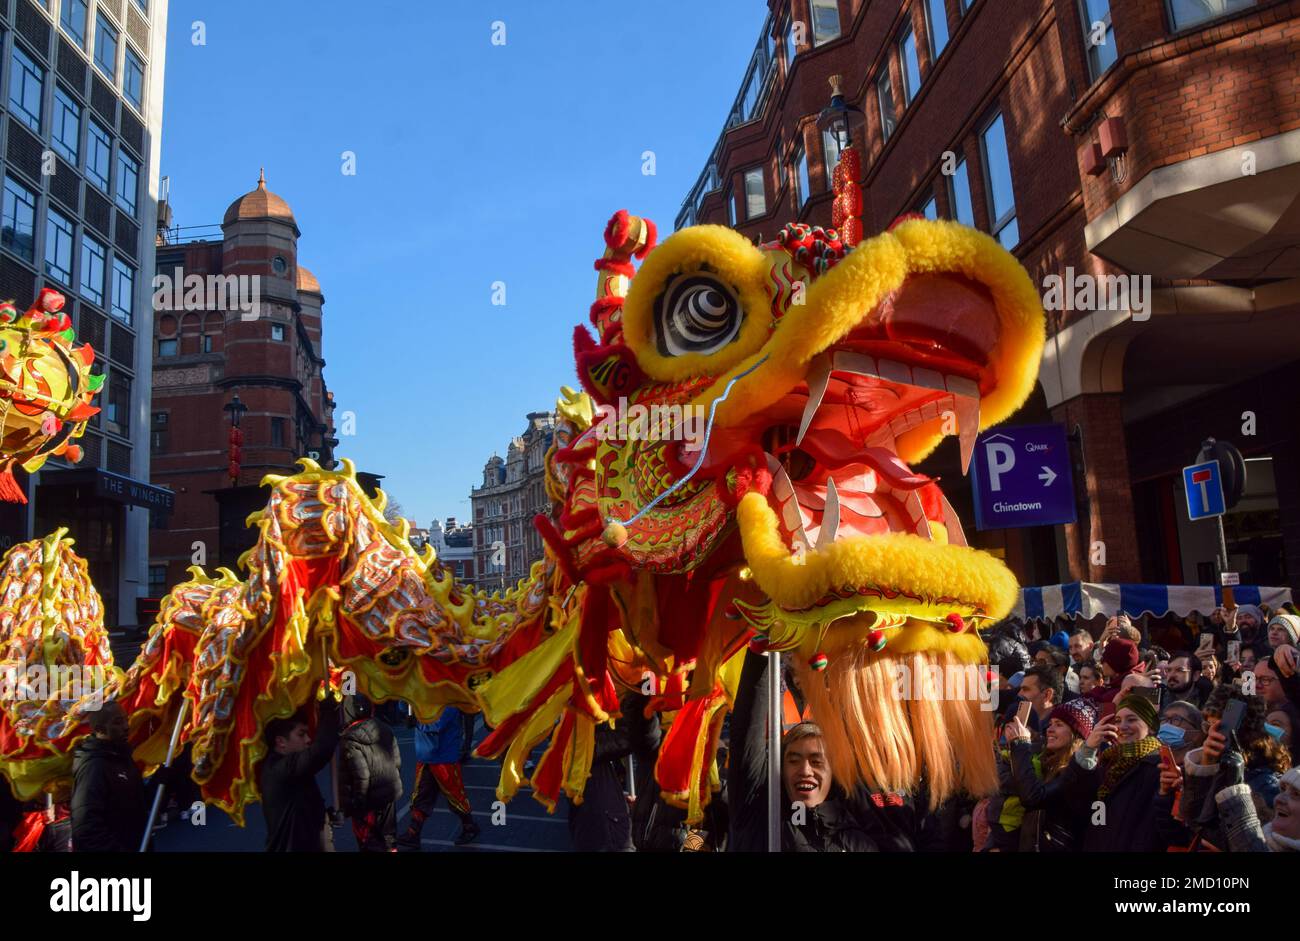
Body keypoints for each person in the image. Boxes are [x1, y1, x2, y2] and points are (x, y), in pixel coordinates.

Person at [728, 649, 922, 852]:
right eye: (793, 760)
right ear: (780, 770)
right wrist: (761, 653)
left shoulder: (857, 836)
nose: (805, 770)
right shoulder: (760, 816)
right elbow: (746, 734)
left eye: (816, 761)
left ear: (834, 773)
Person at [1062, 693, 1165, 852]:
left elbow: (1154, 829)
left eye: (1131, 720)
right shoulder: (1108, 761)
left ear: (1151, 727)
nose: (1122, 726)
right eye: (1118, 721)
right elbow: (1090, 812)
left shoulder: (1158, 767)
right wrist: (1088, 749)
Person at [996, 698, 1096, 852]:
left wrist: (1020, 743)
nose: (1050, 729)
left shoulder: (1077, 771)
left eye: (1059, 724)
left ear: (1077, 734)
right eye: (1050, 723)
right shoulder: (1045, 762)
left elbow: (1032, 797)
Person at [569, 690, 660, 852]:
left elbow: (704, 826)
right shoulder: (655, 756)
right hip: (626, 833)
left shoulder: (706, 770)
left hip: (624, 835)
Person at [259, 701, 341, 852]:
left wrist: (327, 816)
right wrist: (328, 708)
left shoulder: (293, 767)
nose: (308, 739)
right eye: (301, 734)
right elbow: (321, 750)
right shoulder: (278, 769)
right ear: (281, 742)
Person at [70, 700, 148, 852]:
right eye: (118, 722)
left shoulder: (121, 756)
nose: (126, 727)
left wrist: (161, 782)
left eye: (126, 719)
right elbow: (85, 826)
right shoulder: (94, 767)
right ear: (100, 729)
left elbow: (134, 803)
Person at [397, 705, 478, 849]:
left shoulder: (449, 701)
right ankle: (413, 833)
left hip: (444, 759)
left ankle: (470, 826)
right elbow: (404, 706)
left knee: (455, 797)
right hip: (426, 757)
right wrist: (405, 693)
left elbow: (436, 725)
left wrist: (415, 720)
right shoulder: (426, 695)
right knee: (421, 796)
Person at [338, 694, 403, 852]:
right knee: (389, 839)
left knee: (369, 842)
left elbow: (362, 776)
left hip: (368, 802)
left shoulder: (350, 739)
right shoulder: (384, 728)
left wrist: (357, 802)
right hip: (389, 794)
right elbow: (397, 762)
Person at [1087, 636, 1142, 705]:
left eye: (1104, 659)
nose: (1101, 662)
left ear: (1116, 664)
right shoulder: (1115, 686)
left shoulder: (1115, 695)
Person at [1158, 700, 1205, 766]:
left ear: (1196, 733)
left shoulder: (1202, 766)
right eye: (1164, 719)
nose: (1167, 724)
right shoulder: (1149, 765)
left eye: (1176, 719)